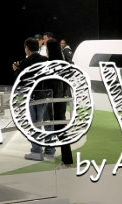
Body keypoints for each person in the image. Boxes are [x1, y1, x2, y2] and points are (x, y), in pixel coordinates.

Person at [14, 37, 55, 162]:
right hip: (48, 95)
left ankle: (36, 152)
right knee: (48, 124)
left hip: (34, 96)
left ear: (27, 48)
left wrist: (16, 70)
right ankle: (50, 151)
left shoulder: (25, 62)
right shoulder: (46, 60)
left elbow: (20, 81)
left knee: (35, 124)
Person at [46, 39, 73, 169]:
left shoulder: (53, 65)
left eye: (47, 48)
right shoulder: (62, 63)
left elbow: (56, 86)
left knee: (61, 131)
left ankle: (67, 162)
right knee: (60, 131)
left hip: (56, 102)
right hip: (60, 101)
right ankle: (64, 161)